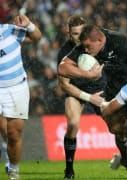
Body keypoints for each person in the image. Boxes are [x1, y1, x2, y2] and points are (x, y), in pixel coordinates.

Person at [57, 24, 127, 177]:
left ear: (100, 41)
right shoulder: (80, 47)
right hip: (108, 90)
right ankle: (70, 169)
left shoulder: (121, 43)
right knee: (115, 127)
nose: (86, 50)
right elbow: (62, 69)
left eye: (88, 46)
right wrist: (88, 75)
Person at [56, 16, 106, 180]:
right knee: (73, 123)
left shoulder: (96, 44)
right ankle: (69, 170)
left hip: (99, 89)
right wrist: (88, 98)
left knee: (120, 126)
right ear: (69, 33)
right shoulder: (65, 53)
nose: (79, 37)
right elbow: (64, 85)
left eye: (82, 32)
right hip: (76, 91)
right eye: (75, 34)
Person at [0, 14, 42, 180]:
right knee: (4, 130)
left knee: (14, 133)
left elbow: (37, 37)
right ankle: (6, 148)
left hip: (16, 88)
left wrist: (29, 24)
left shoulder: (9, 31)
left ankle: (14, 170)